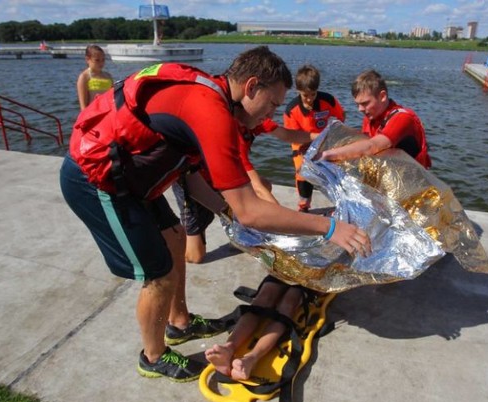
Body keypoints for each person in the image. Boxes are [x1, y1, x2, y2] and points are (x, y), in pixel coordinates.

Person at [59, 46, 370, 382]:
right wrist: (329, 227)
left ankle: (179, 323)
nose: (271, 114)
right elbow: (249, 211)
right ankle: (153, 356)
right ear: (252, 87)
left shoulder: (213, 96)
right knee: (159, 275)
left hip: (134, 182)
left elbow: (191, 178)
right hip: (97, 181)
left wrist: (224, 210)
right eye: (272, 104)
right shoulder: (211, 111)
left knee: (177, 238)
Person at [172, 118, 314, 264]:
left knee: (265, 185)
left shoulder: (256, 116)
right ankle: (172, 236)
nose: (270, 114)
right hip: (196, 181)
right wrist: (289, 229)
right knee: (195, 257)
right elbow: (258, 190)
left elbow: (285, 134)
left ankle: (241, 228)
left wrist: (316, 136)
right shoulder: (234, 138)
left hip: (220, 177)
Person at [320, 69, 431, 169]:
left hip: (414, 184)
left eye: (365, 103)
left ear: (382, 96)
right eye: (357, 104)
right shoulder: (370, 117)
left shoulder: (402, 118)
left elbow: (372, 146)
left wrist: (328, 154)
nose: (360, 109)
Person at [205, 275, 304, 380]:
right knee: (264, 297)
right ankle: (228, 348)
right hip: (285, 266)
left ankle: (251, 359)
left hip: (309, 277)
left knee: (288, 303)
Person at [283, 65, 345, 212]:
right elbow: (292, 136)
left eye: (313, 94)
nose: (310, 99)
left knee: (335, 171)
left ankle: (340, 203)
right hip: (302, 145)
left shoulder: (329, 100)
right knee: (302, 172)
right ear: (298, 91)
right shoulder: (291, 110)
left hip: (326, 141)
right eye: (305, 95)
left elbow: (341, 119)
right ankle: (304, 204)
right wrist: (309, 146)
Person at [76, 44, 113, 110]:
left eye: (103, 60)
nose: (101, 63)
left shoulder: (108, 76)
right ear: (87, 59)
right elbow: (83, 106)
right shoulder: (84, 77)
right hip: (93, 113)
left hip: (107, 111)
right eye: (97, 60)